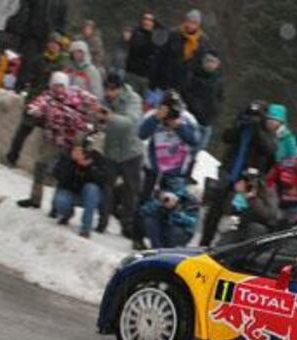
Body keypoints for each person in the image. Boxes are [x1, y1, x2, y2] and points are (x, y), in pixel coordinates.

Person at [199, 100, 276, 247]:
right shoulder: (241, 126)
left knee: (237, 216)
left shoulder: (266, 132)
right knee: (214, 212)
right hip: (229, 173)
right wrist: (241, 123)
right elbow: (226, 137)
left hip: (247, 179)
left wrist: (257, 127)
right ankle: (204, 243)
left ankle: (228, 246)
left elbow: (269, 149)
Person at [17, 72, 98, 209]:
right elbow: (38, 105)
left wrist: (89, 120)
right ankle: (35, 198)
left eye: (61, 86)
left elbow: (93, 102)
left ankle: (58, 205)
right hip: (53, 138)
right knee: (40, 165)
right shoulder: (47, 97)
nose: (58, 89)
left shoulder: (76, 93)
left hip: (72, 140)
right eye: (55, 85)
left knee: (64, 172)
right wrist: (33, 109)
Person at [137, 92, 201, 249]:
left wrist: (178, 126)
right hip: (154, 166)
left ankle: (163, 242)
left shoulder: (187, 118)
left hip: (175, 171)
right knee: (146, 202)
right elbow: (141, 134)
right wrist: (156, 118)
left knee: (169, 205)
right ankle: (137, 237)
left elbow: (194, 140)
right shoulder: (153, 114)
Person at [3, 32, 66, 167]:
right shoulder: (39, 59)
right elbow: (29, 77)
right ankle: (11, 158)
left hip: (51, 104)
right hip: (35, 100)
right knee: (23, 131)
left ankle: (44, 169)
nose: (54, 46)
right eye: (52, 43)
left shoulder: (61, 65)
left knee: (50, 139)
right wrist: (29, 94)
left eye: (57, 44)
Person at [95, 73, 143, 237]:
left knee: (130, 191)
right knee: (106, 187)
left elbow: (131, 122)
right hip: (111, 149)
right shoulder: (104, 100)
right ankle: (102, 221)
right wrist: (99, 120)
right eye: (107, 89)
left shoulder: (133, 99)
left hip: (131, 151)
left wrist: (110, 117)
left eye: (112, 89)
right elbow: (99, 123)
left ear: (121, 88)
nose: (109, 93)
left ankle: (127, 225)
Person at [51, 134, 111, 238]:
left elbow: (104, 180)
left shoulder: (97, 158)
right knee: (60, 201)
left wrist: (89, 167)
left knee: (92, 189)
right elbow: (57, 174)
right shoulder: (66, 156)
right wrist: (72, 163)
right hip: (69, 192)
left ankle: (86, 228)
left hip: (89, 196)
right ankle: (67, 214)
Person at [150, 9, 210, 95]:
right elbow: (159, 57)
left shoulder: (203, 41)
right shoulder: (172, 34)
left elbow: (199, 65)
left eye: (194, 23)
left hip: (184, 86)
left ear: (198, 25)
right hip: (165, 80)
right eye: (189, 21)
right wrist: (153, 82)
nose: (190, 25)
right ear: (185, 21)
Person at [216, 168, 280, 246]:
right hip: (241, 225)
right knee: (223, 244)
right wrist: (235, 194)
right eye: (246, 178)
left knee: (255, 229)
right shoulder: (242, 189)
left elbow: (271, 215)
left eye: (253, 179)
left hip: (261, 228)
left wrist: (253, 199)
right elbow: (228, 210)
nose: (249, 182)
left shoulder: (268, 192)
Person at [14, 0, 68, 92]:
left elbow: (62, 22)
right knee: (27, 65)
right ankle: (21, 89)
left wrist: (57, 38)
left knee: (45, 69)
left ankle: (41, 92)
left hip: (50, 39)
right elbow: (25, 12)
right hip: (32, 37)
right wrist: (24, 31)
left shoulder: (62, 3)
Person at [182, 50, 223, 151]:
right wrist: (195, 107)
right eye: (208, 61)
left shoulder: (218, 80)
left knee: (197, 151)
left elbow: (221, 98)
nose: (210, 64)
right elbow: (185, 92)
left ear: (217, 64)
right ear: (203, 61)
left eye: (213, 62)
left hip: (206, 122)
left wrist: (215, 111)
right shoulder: (193, 74)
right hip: (190, 119)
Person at [125, 9, 159, 98]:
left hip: (147, 77)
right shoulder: (137, 33)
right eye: (145, 19)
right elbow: (139, 49)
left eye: (150, 20)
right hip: (133, 75)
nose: (147, 22)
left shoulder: (156, 36)